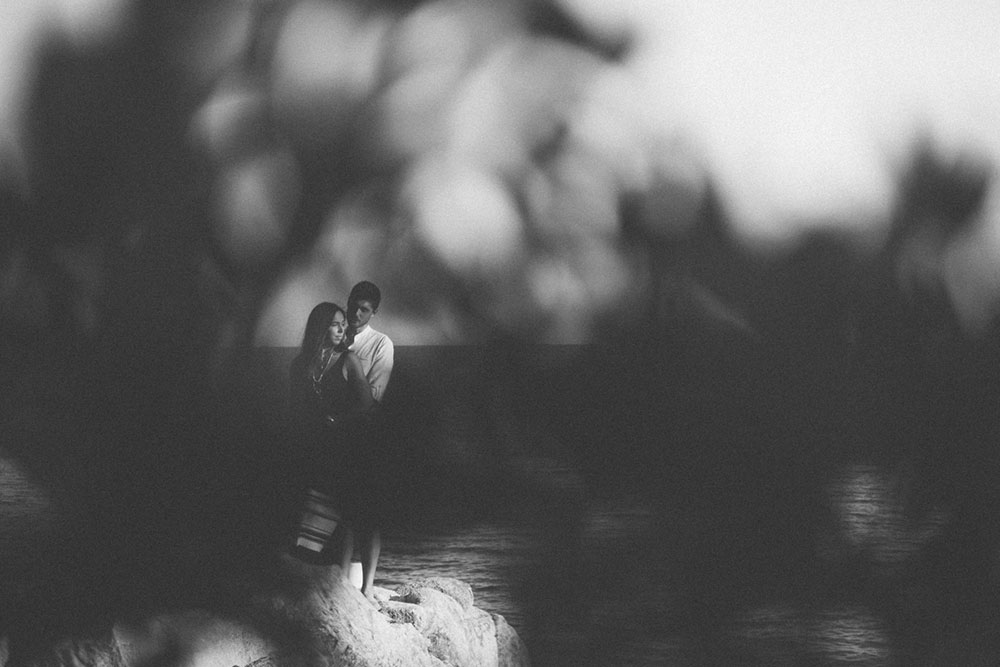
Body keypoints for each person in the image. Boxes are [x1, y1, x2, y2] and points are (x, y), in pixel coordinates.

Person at [288, 302, 375, 578]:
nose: (343, 328)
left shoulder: (348, 360)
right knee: (306, 508)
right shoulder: (300, 364)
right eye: (336, 324)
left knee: (347, 513)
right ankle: (312, 569)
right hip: (312, 448)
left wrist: (339, 420)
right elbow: (294, 408)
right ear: (320, 327)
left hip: (345, 448)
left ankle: (351, 579)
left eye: (343, 324)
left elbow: (366, 405)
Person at [345, 280, 394, 596]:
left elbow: (374, 396)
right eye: (354, 307)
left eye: (364, 309)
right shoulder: (335, 335)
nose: (357, 314)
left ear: (374, 312)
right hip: (333, 435)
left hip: (363, 435)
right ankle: (337, 577)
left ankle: (368, 586)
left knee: (365, 514)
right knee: (338, 510)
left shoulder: (380, 344)